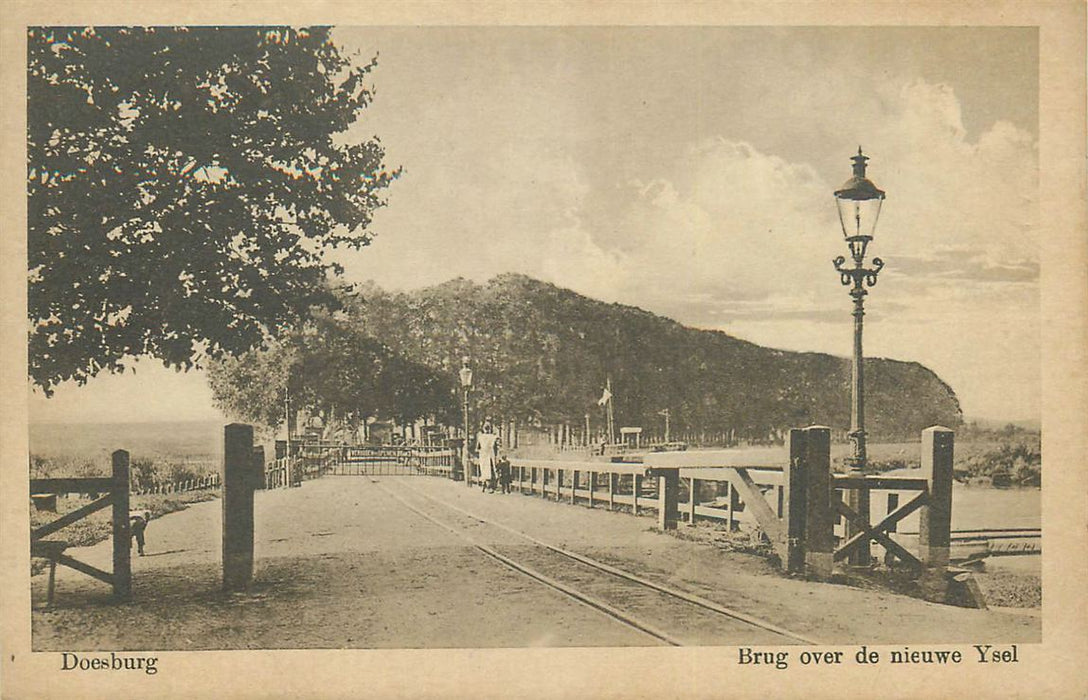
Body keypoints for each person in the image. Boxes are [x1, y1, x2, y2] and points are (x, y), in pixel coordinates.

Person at [475, 421, 500, 493]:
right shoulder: (493, 437)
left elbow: (477, 448)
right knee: (491, 469)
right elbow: (495, 447)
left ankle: (484, 485)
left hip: (483, 454)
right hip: (490, 454)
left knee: (484, 469)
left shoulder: (480, 437)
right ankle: (491, 486)